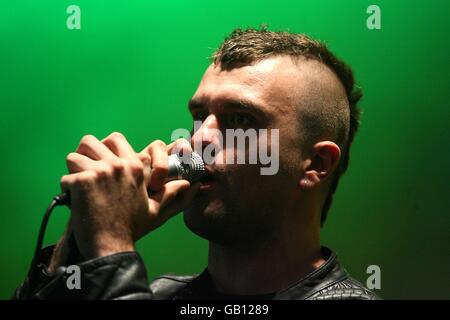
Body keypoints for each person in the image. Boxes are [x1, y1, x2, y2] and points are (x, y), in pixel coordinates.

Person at [14, 27, 379, 300]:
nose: (200, 139)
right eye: (199, 116)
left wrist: (111, 244)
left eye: (240, 119)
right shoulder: (161, 294)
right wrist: (79, 240)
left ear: (315, 163)